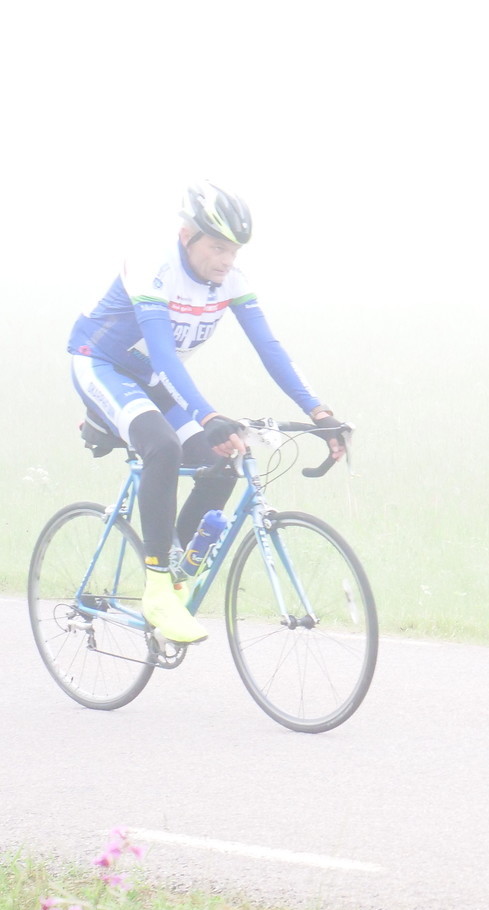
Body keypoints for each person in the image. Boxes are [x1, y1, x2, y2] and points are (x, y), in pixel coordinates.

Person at [68, 183, 345, 645]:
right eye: (217, 247)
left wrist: (319, 412)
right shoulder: (153, 267)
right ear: (186, 236)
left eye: (234, 251)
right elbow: (163, 354)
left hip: (155, 380)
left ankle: (176, 572)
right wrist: (208, 415)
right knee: (164, 446)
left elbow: (269, 347)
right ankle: (158, 587)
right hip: (102, 364)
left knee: (224, 458)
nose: (226, 260)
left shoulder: (232, 281)